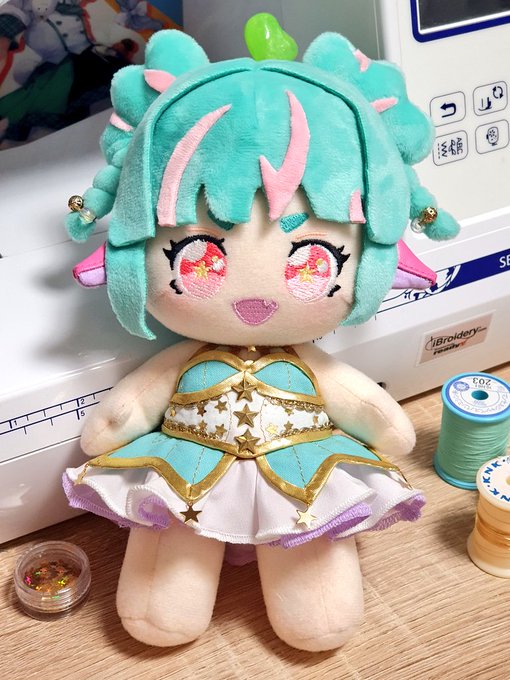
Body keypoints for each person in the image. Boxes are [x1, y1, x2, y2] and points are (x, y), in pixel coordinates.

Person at [62, 28, 459, 651]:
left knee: (307, 527)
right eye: (198, 258)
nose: (256, 299)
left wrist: (387, 426)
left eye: (314, 261)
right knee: (173, 528)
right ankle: (170, 604)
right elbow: (125, 413)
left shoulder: (311, 363)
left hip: (301, 464)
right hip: (188, 460)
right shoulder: (183, 357)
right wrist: (113, 426)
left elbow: (368, 409)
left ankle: (309, 603)